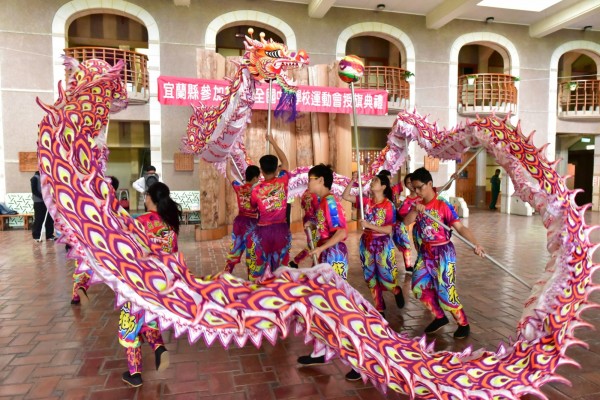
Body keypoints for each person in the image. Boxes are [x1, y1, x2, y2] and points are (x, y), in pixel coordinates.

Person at [403, 167, 485, 339]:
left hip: (443, 253)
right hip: (425, 253)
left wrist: (476, 243)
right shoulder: (417, 205)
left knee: (446, 292)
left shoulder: (443, 205)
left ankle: (463, 323)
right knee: (418, 286)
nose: (416, 191)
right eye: (414, 188)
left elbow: (460, 227)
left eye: (419, 187)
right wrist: (414, 211)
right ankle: (439, 317)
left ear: (430, 184)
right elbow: (406, 222)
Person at [296, 164, 357, 380]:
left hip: (334, 257)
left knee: (338, 310)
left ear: (321, 180)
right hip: (326, 256)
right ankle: (321, 350)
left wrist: (321, 247)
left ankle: (357, 361)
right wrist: (312, 224)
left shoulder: (330, 201)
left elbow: (341, 232)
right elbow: (325, 227)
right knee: (319, 306)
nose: (308, 183)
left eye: (311, 179)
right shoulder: (322, 202)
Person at [119, 182, 180, 387]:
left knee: (130, 324)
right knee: (149, 319)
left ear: (151, 198)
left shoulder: (140, 222)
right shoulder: (170, 224)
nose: (144, 199)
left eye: (146, 196)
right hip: (162, 283)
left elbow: (124, 248)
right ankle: (159, 348)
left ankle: (134, 373)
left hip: (139, 281)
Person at [342, 173, 405, 317]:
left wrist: (369, 225)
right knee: (370, 276)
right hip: (366, 243)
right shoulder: (366, 202)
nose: (372, 182)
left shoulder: (389, 205)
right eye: (372, 180)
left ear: (383, 186)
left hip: (382, 244)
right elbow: (345, 196)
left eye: (375, 181)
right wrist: (352, 180)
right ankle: (380, 308)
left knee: (386, 276)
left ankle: (396, 290)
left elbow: (389, 229)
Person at [247, 134, 291, 281]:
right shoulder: (282, 181)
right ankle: (279, 291)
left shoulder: (256, 190)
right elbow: (285, 161)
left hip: (263, 231)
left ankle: (263, 292)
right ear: (276, 168)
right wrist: (273, 141)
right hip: (281, 229)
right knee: (280, 266)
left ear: (261, 170)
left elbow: (253, 207)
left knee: (261, 264)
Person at [71, 176, 119, 304]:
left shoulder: (89, 194)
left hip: (83, 232)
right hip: (103, 236)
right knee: (108, 263)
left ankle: (77, 292)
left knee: (83, 262)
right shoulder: (110, 197)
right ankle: (118, 289)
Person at [224, 162, 260, 275]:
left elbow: (228, 175)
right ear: (255, 178)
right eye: (258, 177)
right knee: (252, 252)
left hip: (239, 222)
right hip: (252, 224)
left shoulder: (239, 187)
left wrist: (227, 161)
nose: (258, 179)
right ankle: (251, 279)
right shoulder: (258, 192)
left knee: (235, 249)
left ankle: (226, 274)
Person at [394, 173, 420, 274]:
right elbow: (401, 216)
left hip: (419, 227)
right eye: (408, 183)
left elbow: (441, 189)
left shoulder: (422, 197)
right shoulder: (404, 199)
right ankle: (408, 266)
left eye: (412, 182)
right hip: (402, 224)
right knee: (406, 245)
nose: (411, 185)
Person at [288, 188, 319, 269]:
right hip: (314, 222)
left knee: (313, 244)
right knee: (313, 245)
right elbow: (318, 210)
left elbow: (302, 205)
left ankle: (314, 264)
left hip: (306, 220)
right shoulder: (316, 194)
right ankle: (296, 261)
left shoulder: (304, 193)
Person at [31, 171, 55, 241]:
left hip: (48, 201)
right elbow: (34, 191)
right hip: (39, 202)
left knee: (49, 219)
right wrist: (43, 197)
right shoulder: (34, 178)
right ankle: (36, 235)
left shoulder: (47, 178)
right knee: (39, 218)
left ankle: (49, 235)